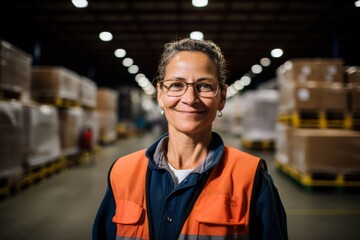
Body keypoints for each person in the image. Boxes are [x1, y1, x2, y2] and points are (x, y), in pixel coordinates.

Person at [92, 38, 288, 240]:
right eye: (176, 84)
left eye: (204, 86)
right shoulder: (122, 173)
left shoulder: (252, 179)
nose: (190, 98)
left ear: (221, 97)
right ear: (160, 94)